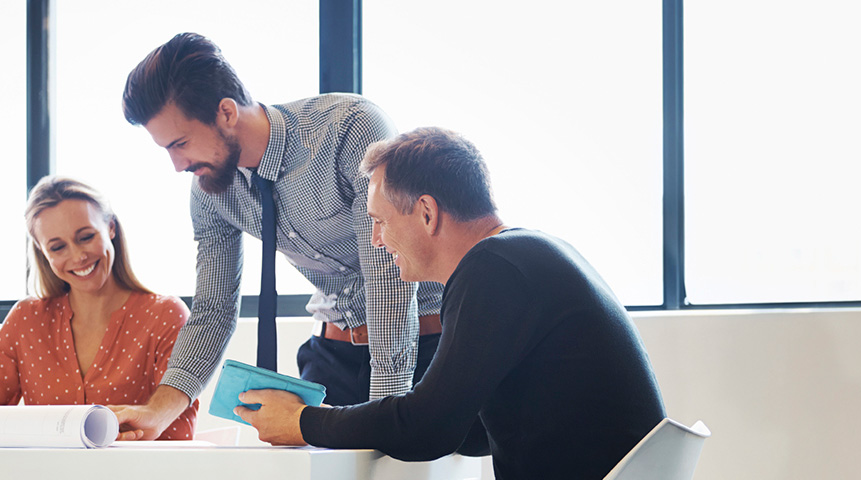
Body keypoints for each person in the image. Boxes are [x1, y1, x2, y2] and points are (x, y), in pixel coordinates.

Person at [236, 128, 668, 479]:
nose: (374, 240)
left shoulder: (492, 269)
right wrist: (367, 419)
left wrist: (306, 421)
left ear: (426, 213)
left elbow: (428, 430)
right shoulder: (525, 255)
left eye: (380, 221)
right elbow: (471, 431)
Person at [112, 32, 444, 439]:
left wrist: (384, 414)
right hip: (332, 357)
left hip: (422, 348)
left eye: (180, 143)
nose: (177, 164)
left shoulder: (350, 129)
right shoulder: (211, 191)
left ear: (226, 113)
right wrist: (157, 412)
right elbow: (214, 309)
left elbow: (387, 282)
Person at [0, 176, 197, 440]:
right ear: (43, 252)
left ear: (110, 228)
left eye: (86, 237)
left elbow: (177, 435)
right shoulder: (26, 320)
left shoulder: (165, 315)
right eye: (58, 247)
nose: (78, 256)